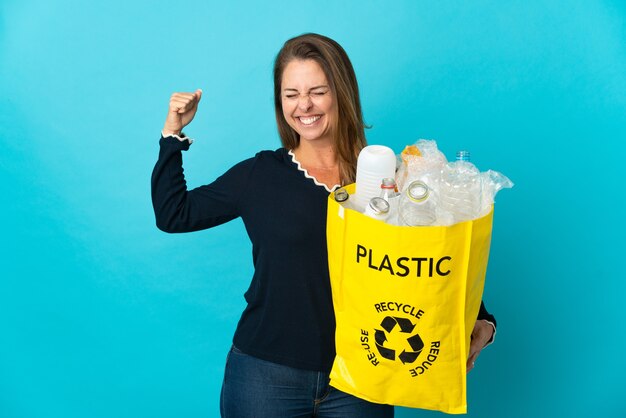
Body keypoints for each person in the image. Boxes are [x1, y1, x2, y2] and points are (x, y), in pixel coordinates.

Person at [151, 33, 496, 418]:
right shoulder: (260, 175)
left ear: (341, 93)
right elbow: (173, 214)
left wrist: (482, 322)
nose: (304, 106)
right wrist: (172, 134)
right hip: (265, 377)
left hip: (363, 377)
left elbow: (427, 262)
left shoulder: (393, 179)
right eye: (291, 94)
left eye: (317, 91)